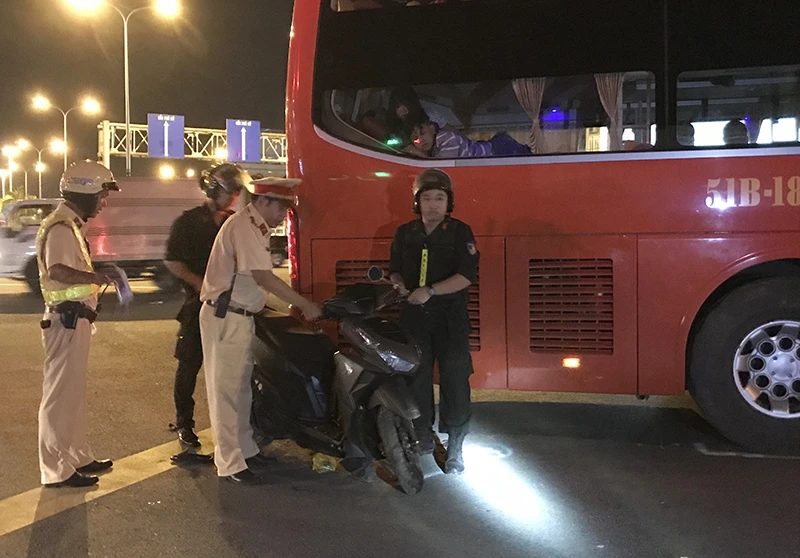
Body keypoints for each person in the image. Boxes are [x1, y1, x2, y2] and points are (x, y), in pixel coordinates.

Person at [199, 176, 322, 484]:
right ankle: (230, 463)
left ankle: (245, 450)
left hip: (238, 316)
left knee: (240, 390)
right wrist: (304, 305)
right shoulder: (245, 226)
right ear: (263, 201)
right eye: (281, 208)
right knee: (227, 393)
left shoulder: (254, 227)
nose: (283, 216)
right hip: (226, 316)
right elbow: (263, 277)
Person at [35, 160, 121, 488]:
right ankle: (56, 469)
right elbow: (57, 270)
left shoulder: (70, 225)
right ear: (85, 192)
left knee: (72, 395)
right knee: (59, 397)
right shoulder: (60, 227)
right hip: (66, 320)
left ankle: (77, 455)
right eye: (102, 195)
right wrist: (96, 278)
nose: (104, 202)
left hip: (76, 320)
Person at [389, 169, 478, 474]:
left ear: (448, 202)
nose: (433, 204)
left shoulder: (460, 231)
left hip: (450, 319)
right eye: (426, 198)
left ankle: (455, 443)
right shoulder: (405, 232)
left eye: (439, 198)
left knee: (455, 377)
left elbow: (466, 276)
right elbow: (395, 269)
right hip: (414, 318)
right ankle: (422, 435)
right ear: (417, 202)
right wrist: (399, 284)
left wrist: (430, 291)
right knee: (416, 377)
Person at [164, 163, 245, 447]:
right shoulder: (188, 223)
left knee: (232, 369)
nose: (233, 197)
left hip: (231, 306)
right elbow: (173, 261)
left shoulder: (234, 222)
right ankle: (184, 423)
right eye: (229, 192)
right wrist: (201, 285)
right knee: (189, 365)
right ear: (212, 189)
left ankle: (234, 425)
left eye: (236, 192)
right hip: (197, 304)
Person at [405, 114, 530, 158]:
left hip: (498, 149)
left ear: (432, 129)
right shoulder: (434, 150)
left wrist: (418, 154)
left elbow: (442, 167)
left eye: (423, 133)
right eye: (415, 139)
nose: (421, 140)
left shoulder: (446, 138)